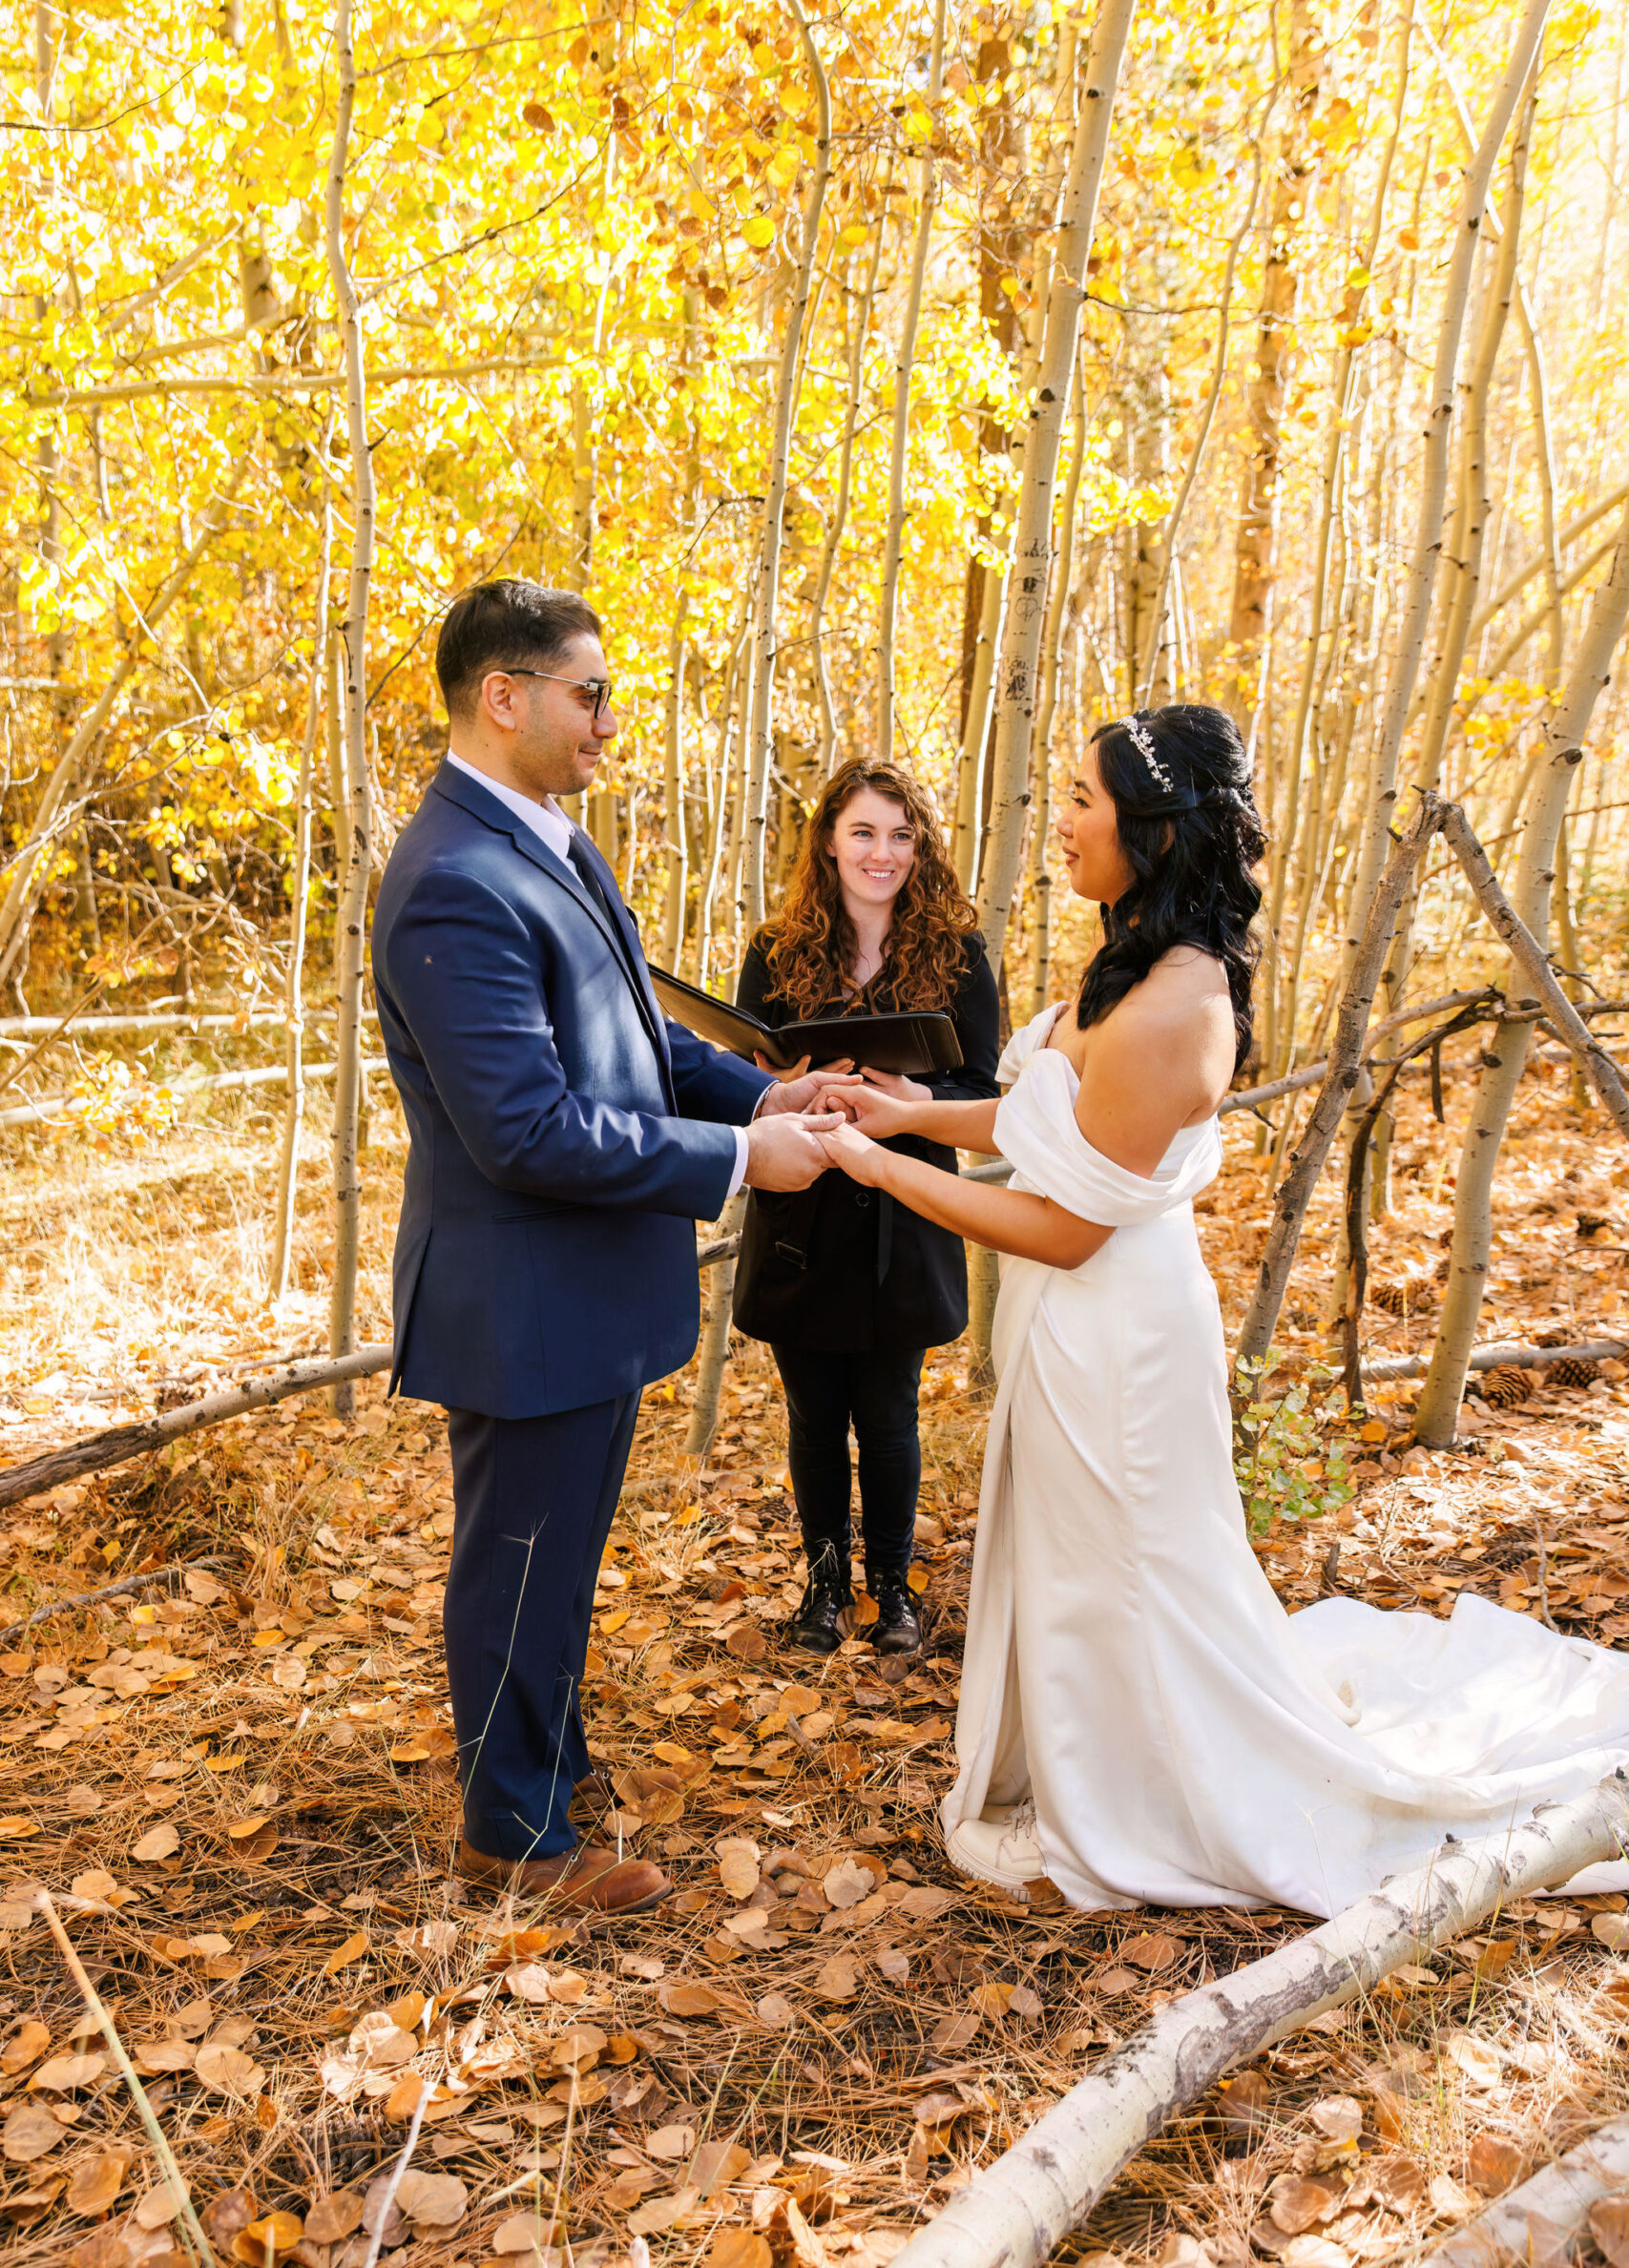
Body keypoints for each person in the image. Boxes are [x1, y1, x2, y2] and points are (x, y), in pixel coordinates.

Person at [815, 703, 1629, 1916]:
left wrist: (880, 1174)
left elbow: (1067, 1221)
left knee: (1130, 1572)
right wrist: (910, 1115)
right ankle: (1100, 1763)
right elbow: (1045, 1114)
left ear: (1150, 828)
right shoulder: (1132, 962)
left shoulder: (1177, 1011)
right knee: (1083, 1564)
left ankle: (1150, 1799)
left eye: (1084, 800)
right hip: (1073, 1323)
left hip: (1119, 1336)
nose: (1065, 819)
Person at [372, 580, 838, 1915]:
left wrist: (763, 1096)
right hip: (522, 1296)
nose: (607, 721)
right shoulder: (452, 883)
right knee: (516, 1560)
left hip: (584, 1292)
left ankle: (545, 1775)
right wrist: (745, 1163)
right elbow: (523, 1128)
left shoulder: (551, 842)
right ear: (502, 697)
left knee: (556, 1560)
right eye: (588, 694)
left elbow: (633, 1042)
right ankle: (510, 1839)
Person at [732, 759, 1000, 1659]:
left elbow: (980, 1087)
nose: (880, 853)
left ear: (919, 848)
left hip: (906, 1208)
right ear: (828, 841)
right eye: (862, 833)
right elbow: (741, 1080)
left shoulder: (958, 956)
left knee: (888, 1416)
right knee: (812, 1417)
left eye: (900, 834)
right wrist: (796, 1088)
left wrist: (910, 1089)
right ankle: (821, 1590)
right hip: (800, 1211)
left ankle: (892, 1591)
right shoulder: (775, 952)